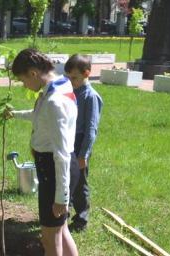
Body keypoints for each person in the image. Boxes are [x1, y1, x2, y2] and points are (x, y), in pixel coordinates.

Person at [7, 48, 80, 256]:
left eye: (23, 80)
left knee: (50, 238)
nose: (24, 85)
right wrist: (16, 114)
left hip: (55, 170)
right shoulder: (60, 85)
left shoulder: (54, 101)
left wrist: (61, 197)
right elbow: (41, 116)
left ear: (33, 73)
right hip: (56, 168)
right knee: (61, 230)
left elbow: (62, 153)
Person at [64, 54, 103, 232]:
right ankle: (63, 212)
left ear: (87, 73)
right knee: (66, 179)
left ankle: (81, 220)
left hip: (80, 143)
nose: (71, 81)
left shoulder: (90, 97)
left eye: (74, 78)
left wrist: (83, 155)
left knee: (80, 184)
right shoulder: (71, 91)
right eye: (68, 77)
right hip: (68, 141)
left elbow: (91, 129)